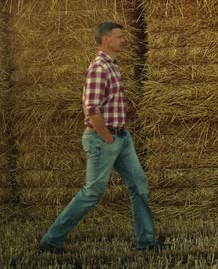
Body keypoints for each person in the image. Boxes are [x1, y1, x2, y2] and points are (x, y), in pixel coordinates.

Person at [39, 22, 169, 254]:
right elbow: (91, 108)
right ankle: (52, 239)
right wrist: (107, 138)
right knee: (93, 192)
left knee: (139, 186)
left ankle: (146, 241)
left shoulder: (112, 66)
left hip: (122, 138)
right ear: (106, 40)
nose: (124, 40)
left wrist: (118, 136)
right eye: (119, 36)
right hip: (104, 139)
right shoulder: (100, 67)